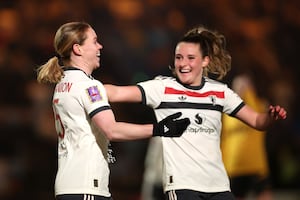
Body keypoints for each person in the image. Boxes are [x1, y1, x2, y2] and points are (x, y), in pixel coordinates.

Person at [104, 25, 287, 200]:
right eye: (178, 57)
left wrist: (270, 117)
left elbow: (257, 121)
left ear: (205, 60)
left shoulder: (220, 92)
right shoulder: (163, 88)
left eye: (190, 58)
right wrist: (84, 86)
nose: (183, 64)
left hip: (218, 187)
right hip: (183, 187)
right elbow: (115, 92)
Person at [36, 21, 190, 200]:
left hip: (69, 185)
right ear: (78, 49)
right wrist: (160, 129)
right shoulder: (88, 86)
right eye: (94, 41)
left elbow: (108, 99)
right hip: (87, 186)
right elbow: (112, 130)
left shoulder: (63, 84)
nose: (100, 46)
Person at [221, 74, 273, 200]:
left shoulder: (258, 106)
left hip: (256, 165)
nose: (242, 89)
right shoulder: (225, 113)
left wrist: (249, 94)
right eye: (239, 86)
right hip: (234, 167)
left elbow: (267, 113)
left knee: (264, 195)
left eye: (246, 86)